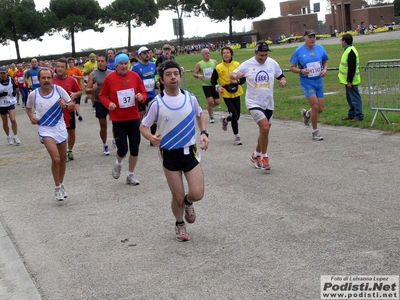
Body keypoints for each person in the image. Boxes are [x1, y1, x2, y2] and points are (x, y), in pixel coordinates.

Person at [140, 60, 209, 242]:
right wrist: (150, 137)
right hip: (169, 154)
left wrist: (203, 132)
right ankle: (179, 224)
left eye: (176, 74)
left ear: (180, 76)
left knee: (197, 193)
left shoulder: (190, 98)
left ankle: (189, 203)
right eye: (168, 74)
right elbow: (144, 126)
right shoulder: (157, 103)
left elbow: (200, 114)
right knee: (177, 196)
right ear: (161, 79)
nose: (173, 77)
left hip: (189, 151)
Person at [230, 42, 286, 171]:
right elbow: (231, 75)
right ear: (256, 53)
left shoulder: (272, 63)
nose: (263, 58)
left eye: (265, 55)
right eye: (261, 55)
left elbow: (280, 75)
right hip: (253, 102)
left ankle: (256, 154)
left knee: (264, 132)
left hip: (268, 102)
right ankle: (264, 158)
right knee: (265, 128)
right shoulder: (247, 64)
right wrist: (236, 76)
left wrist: (283, 80)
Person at [25, 68, 75, 201]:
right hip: (45, 129)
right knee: (56, 159)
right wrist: (31, 117)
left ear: (52, 79)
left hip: (60, 128)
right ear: (38, 79)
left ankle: (62, 184)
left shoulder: (59, 90)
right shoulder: (34, 95)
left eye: (48, 78)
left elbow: (72, 105)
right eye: (43, 78)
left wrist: (65, 105)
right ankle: (57, 187)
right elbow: (28, 107)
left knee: (63, 159)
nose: (46, 81)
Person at [99, 52, 147, 185]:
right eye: (121, 64)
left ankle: (130, 175)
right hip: (118, 119)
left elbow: (143, 92)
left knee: (135, 148)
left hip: (133, 118)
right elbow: (102, 95)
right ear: (116, 65)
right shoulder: (110, 78)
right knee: (123, 149)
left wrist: (141, 97)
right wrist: (109, 104)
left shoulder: (135, 76)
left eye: (126, 63)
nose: (124, 66)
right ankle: (118, 163)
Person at [290, 29, 329, 141]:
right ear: (305, 38)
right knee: (315, 106)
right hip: (307, 82)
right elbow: (292, 67)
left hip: (318, 81)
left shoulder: (320, 48)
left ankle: (307, 114)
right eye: (310, 37)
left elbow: (325, 61)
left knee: (320, 109)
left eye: (314, 37)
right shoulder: (299, 51)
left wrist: (325, 69)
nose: (312, 39)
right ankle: (315, 131)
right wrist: (301, 71)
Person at [211, 46, 244, 145]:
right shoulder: (218, 67)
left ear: (231, 54)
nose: (225, 54)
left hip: (236, 91)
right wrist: (218, 87)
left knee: (237, 116)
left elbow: (243, 78)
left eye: (227, 52)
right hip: (225, 92)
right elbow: (213, 80)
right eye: (224, 53)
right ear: (222, 55)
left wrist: (237, 80)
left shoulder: (237, 65)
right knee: (234, 114)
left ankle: (226, 119)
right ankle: (237, 136)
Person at [53, 58, 82, 162]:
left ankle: (69, 150)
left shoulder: (71, 80)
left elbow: (80, 91)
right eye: (58, 66)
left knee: (71, 131)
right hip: (55, 112)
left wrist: (75, 94)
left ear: (66, 69)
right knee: (58, 133)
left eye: (62, 67)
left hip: (68, 110)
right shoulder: (51, 80)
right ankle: (61, 152)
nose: (60, 69)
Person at [85, 53, 113, 155]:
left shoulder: (111, 73)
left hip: (111, 102)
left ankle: (116, 140)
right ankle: (105, 144)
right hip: (100, 102)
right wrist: (92, 89)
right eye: (99, 61)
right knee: (103, 126)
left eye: (102, 61)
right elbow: (87, 89)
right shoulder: (93, 74)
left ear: (106, 62)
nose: (100, 63)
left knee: (116, 124)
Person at [131, 46, 158, 144]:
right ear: (140, 55)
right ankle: (138, 134)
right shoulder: (135, 67)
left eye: (148, 53)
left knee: (154, 117)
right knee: (141, 117)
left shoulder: (152, 64)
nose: (147, 55)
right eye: (144, 53)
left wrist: (157, 83)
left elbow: (155, 76)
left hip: (151, 95)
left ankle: (152, 137)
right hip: (141, 95)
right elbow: (132, 80)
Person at [339, 34, 364, 122]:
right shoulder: (347, 50)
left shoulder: (350, 51)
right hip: (348, 80)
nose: (341, 42)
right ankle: (352, 114)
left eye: (341, 40)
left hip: (352, 81)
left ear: (344, 41)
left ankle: (359, 115)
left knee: (355, 98)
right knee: (350, 98)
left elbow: (352, 67)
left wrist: (349, 80)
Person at [193, 48, 220, 123]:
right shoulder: (199, 64)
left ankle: (209, 108)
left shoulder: (214, 62)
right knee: (210, 101)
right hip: (205, 84)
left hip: (214, 84)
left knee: (217, 102)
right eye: (206, 53)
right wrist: (198, 75)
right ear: (202, 55)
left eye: (208, 53)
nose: (207, 54)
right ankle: (211, 116)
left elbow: (219, 70)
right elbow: (194, 73)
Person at [0, 65, 21, 145]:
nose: (2, 75)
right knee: (5, 122)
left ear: (6, 72)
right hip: (2, 104)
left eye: (4, 73)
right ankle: (9, 136)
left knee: (13, 119)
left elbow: (16, 87)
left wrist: (15, 92)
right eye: (1, 73)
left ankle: (15, 136)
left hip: (10, 102)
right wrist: (1, 94)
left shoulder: (10, 79)